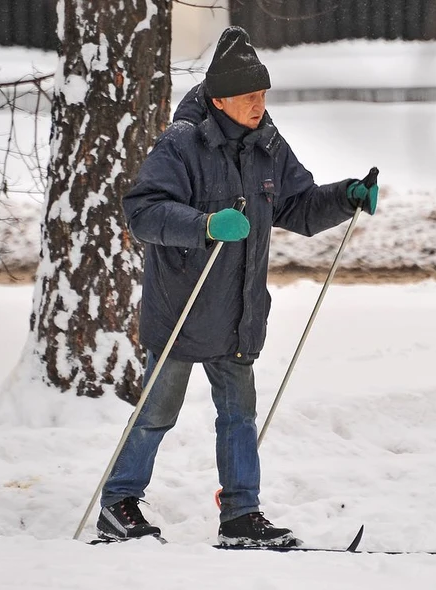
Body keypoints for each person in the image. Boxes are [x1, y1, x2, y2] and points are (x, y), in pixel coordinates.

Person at [96, 26, 379, 547]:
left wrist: (346, 197)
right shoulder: (181, 144)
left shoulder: (268, 144)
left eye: (264, 94)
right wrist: (205, 225)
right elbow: (143, 212)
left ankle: (240, 516)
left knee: (239, 417)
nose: (259, 104)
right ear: (220, 98)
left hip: (240, 312)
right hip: (182, 307)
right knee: (157, 415)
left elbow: (298, 206)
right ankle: (118, 504)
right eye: (249, 95)